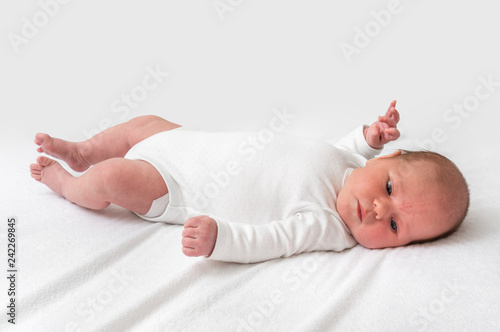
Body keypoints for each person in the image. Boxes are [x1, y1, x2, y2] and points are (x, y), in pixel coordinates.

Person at [30, 101, 470, 263]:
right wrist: (368, 136)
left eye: (394, 226)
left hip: (173, 182)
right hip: (184, 143)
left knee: (111, 178)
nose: (377, 210)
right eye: (390, 190)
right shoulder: (352, 162)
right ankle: (84, 149)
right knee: (142, 124)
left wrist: (220, 239)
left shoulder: (326, 226)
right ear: (386, 157)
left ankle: (70, 183)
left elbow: (271, 239)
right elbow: (339, 149)